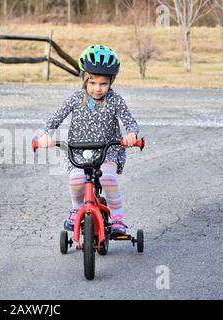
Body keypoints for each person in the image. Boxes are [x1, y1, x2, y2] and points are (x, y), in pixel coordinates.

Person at [38, 44, 139, 236]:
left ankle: (118, 219)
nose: (98, 89)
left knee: (108, 179)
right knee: (76, 181)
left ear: (111, 81)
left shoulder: (115, 99)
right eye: (92, 83)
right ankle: (77, 208)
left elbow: (130, 122)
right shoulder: (76, 98)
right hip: (78, 151)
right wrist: (47, 134)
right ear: (84, 78)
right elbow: (56, 118)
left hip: (107, 151)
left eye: (103, 84)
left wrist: (131, 135)